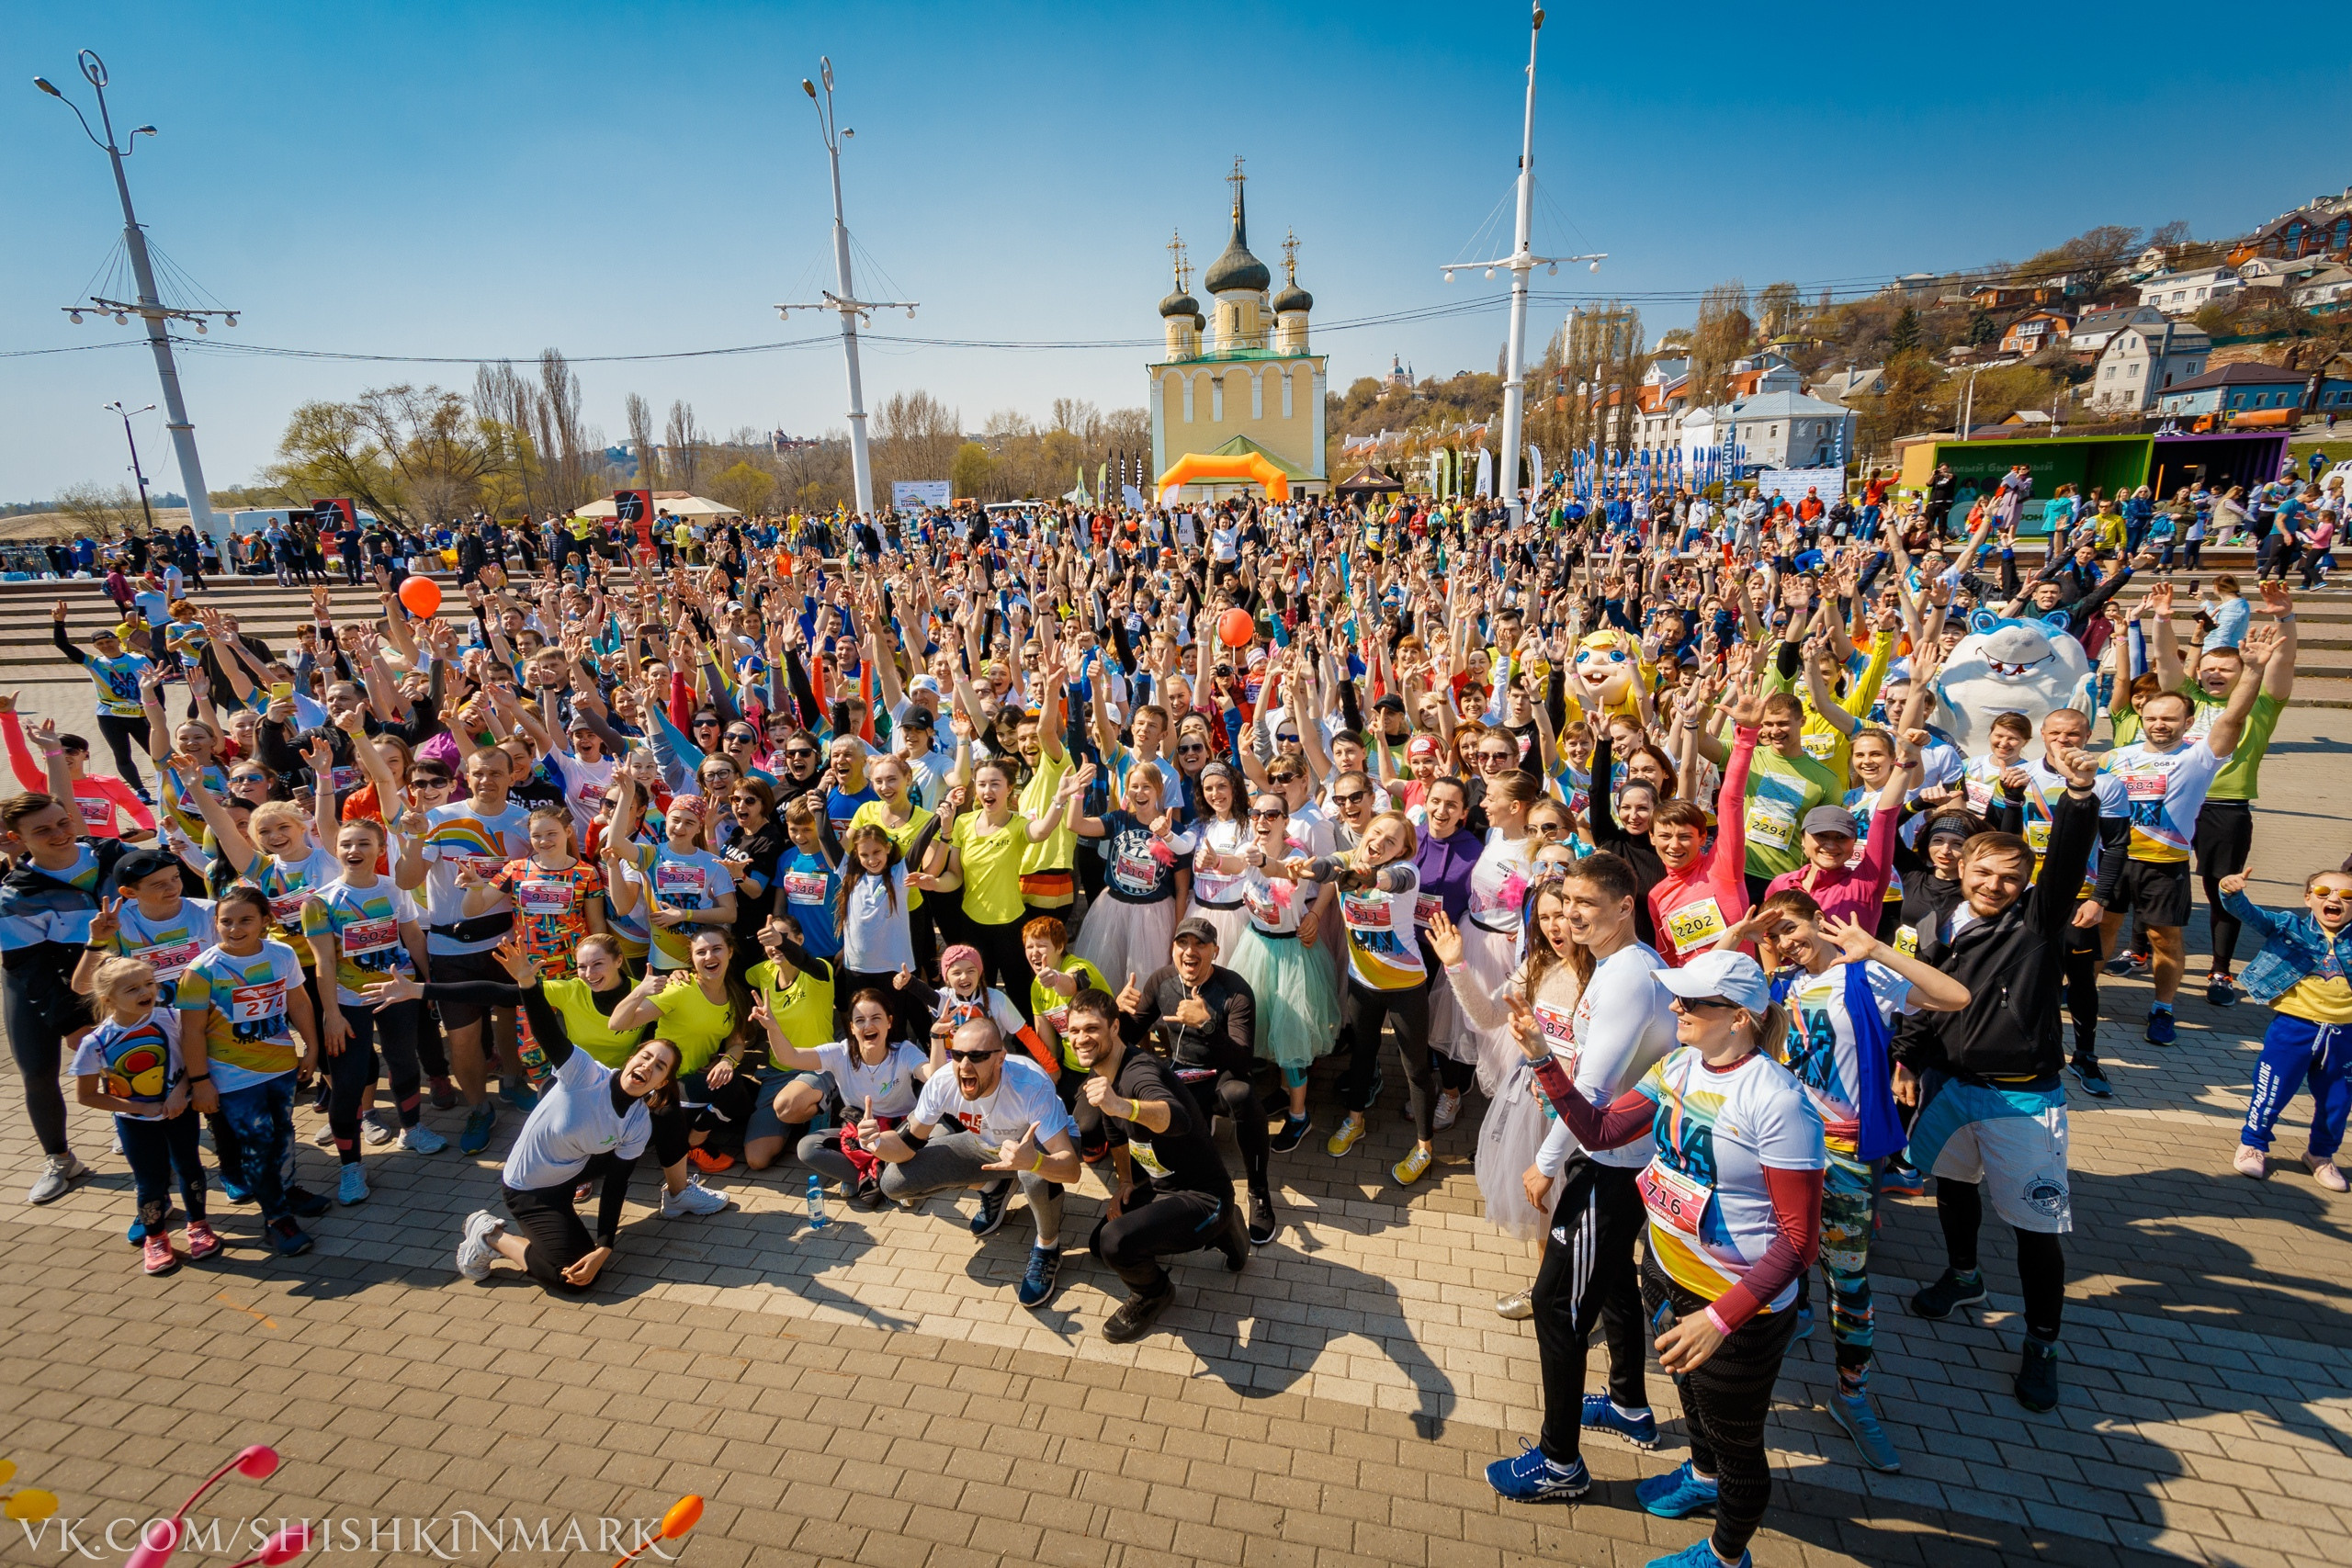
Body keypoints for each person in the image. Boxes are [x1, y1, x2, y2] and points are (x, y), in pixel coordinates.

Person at [1492, 948, 1824, 1568]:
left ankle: (1729, 1555)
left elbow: (1800, 1240)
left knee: (1739, 1444)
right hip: (1669, 1274)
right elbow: (1601, 1131)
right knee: (1693, 1404)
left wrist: (1721, 1317)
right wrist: (1542, 1055)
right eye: (1677, 996)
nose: (1677, 1008)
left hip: (1737, 1307)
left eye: (1693, 1001)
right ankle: (1700, 1476)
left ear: (1742, 1017)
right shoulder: (1678, 1064)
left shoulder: (1777, 1101)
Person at [1896, 739, 2103, 1414]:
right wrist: (1908, 1055)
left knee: (2036, 1230)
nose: (1995, 885)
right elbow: (1926, 996)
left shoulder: (2036, 922)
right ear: (1964, 867)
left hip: (2022, 1097)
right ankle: (1964, 1277)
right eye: (1985, 872)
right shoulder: (1939, 920)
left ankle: (2042, 1343)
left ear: (2025, 883)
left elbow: (2067, 861)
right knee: (1954, 1187)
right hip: (1951, 1082)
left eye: (2010, 878)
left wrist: (2076, 798)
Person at [1743, 888, 1971, 1472]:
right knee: (1766, 1262)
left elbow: (1954, 996)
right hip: (1778, 1148)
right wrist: (1752, 948)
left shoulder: (1866, 975)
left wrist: (1877, 950)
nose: (1787, 943)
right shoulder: (1777, 986)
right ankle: (1775, 1347)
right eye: (1774, 936)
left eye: (1792, 929)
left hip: (1841, 1154)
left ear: (1820, 921)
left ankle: (1850, 1396)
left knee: (1848, 1280)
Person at [445, 942, 684, 1292]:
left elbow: (617, 1184)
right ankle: (490, 1235)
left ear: (662, 1082)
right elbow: (547, 1031)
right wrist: (527, 983)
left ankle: (678, 1194)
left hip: (571, 1173)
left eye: (659, 1067)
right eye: (645, 1057)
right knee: (572, 1280)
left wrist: (605, 1245)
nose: (648, 1066)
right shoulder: (585, 1073)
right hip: (530, 1189)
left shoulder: (638, 1121)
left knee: (591, 1265)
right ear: (631, 1057)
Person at [2096, 626, 2274, 1043]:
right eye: (2153, 717)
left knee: (2164, 937)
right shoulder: (2115, 757)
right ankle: (2085, 990)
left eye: (2169, 719)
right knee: (2102, 928)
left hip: (2164, 864)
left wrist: (2252, 672)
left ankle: (2163, 1007)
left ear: (2187, 722)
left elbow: (2233, 717)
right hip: (2112, 860)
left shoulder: (2199, 757)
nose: (2159, 725)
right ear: (2142, 718)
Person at [856, 1013, 1081, 1308]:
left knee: (1033, 1174)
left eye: (976, 1056)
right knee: (894, 1182)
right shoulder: (943, 1081)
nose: (964, 1065)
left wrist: (1035, 1161)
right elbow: (906, 1146)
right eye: (958, 1054)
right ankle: (995, 1188)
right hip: (985, 1146)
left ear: (1000, 1058)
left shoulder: (1030, 1083)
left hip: (1037, 1148)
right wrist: (874, 1142)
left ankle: (1048, 1246)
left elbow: (1072, 1169)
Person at [1068, 987, 1250, 1340]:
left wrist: (1124, 1106)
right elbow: (1115, 1134)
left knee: (1115, 1243)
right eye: (1074, 1031)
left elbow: (1178, 1117)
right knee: (1099, 1244)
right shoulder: (1103, 1069)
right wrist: (1124, 1183)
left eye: (1091, 1028)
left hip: (1202, 1196)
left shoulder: (1138, 1073)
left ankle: (1154, 1294)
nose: (1081, 1039)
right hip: (1161, 1186)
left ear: (1115, 1028)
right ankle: (1223, 1226)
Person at [176, 883, 328, 1256]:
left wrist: (311, 1048)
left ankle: (285, 1189)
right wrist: (200, 1082)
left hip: (279, 1068)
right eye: (226, 921)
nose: (235, 928)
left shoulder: (281, 955)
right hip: (232, 1077)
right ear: (215, 923)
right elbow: (191, 1031)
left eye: (246, 920)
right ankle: (276, 1218)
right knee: (258, 1144)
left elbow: (299, 1002)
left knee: (284, 1133)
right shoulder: (200, 971)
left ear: (266, 921)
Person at [1114, 915, 1278, 1243]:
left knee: (1242, 1096)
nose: (1190, 951)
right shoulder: (1162, 980)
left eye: (1200, 944)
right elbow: (1127, 1037)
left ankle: (1259, 1191)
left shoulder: (1236, 990)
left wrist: (1207, 1025)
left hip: (1220, 1077)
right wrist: (1117, 1013)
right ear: (1173, 949)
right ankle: (1153, 1184)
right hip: (1177, 1076)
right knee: (1136, 1089)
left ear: (1215, 951)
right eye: (1182, 943)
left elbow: (1243, 1061)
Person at [74, 955, 218, 1274]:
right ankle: (156, 1238)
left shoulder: (173, 1017)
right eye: (132, 989)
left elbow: (195, 1058)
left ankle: (199, 1225)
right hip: (135, 1123)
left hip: (180, 1112)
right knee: (149, 1181)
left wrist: (181, 1092)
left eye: (149, 983)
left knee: (190, 1167)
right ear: (107, 999)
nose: (145, 991)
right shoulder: (95, 1042)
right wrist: (139, 1108)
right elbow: (87, 1096)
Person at [2222, 867, 2352, 1190]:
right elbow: (2253, 917)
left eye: (2346, 896)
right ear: (2308, 898)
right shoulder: (2290, 926)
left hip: (2344, 1034)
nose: (2334, 899)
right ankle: (2253, 1144)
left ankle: (2321, 1155)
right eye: (2324, 893)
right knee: (2272, 1091)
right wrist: (2232, 893)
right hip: (2294, 1027)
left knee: (2338, 1100)